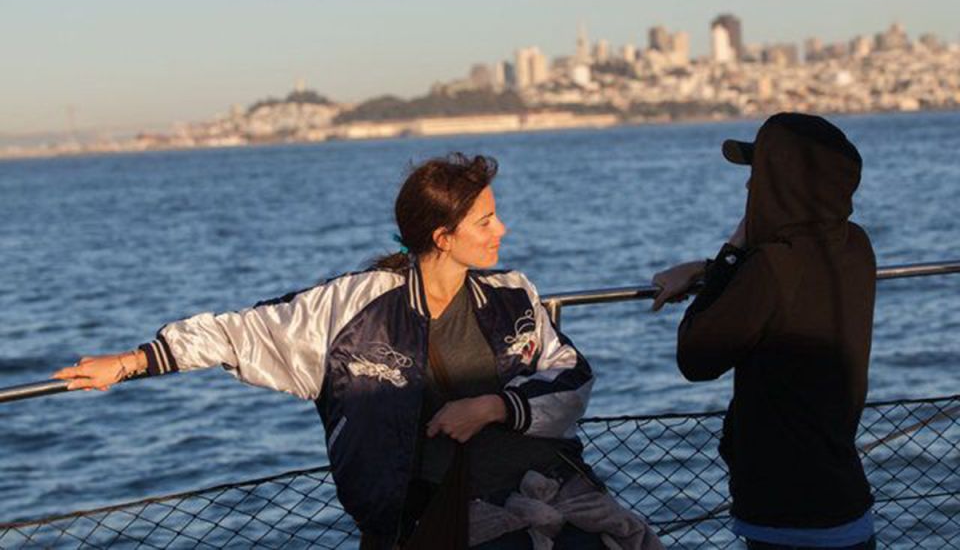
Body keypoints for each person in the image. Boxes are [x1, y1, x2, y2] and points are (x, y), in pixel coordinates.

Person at [54, 153, 661, 550]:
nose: (502, 232)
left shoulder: (513, 297)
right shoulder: (353, 308)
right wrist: (133, 361)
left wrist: (496, 408)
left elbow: (571, 376)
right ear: (443, 237)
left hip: (540, 486)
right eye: (486, 222)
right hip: (434, 518)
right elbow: (241, 332)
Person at [651, 113, 877, 550]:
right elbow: (790, 284)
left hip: (788, 513)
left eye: (759, 175)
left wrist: (733, 248)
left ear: (783, 184)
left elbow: (696, 357)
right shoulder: (855, 246)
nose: (749, 187)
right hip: (845, 498)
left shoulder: (771, 267)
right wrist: (713, 269)